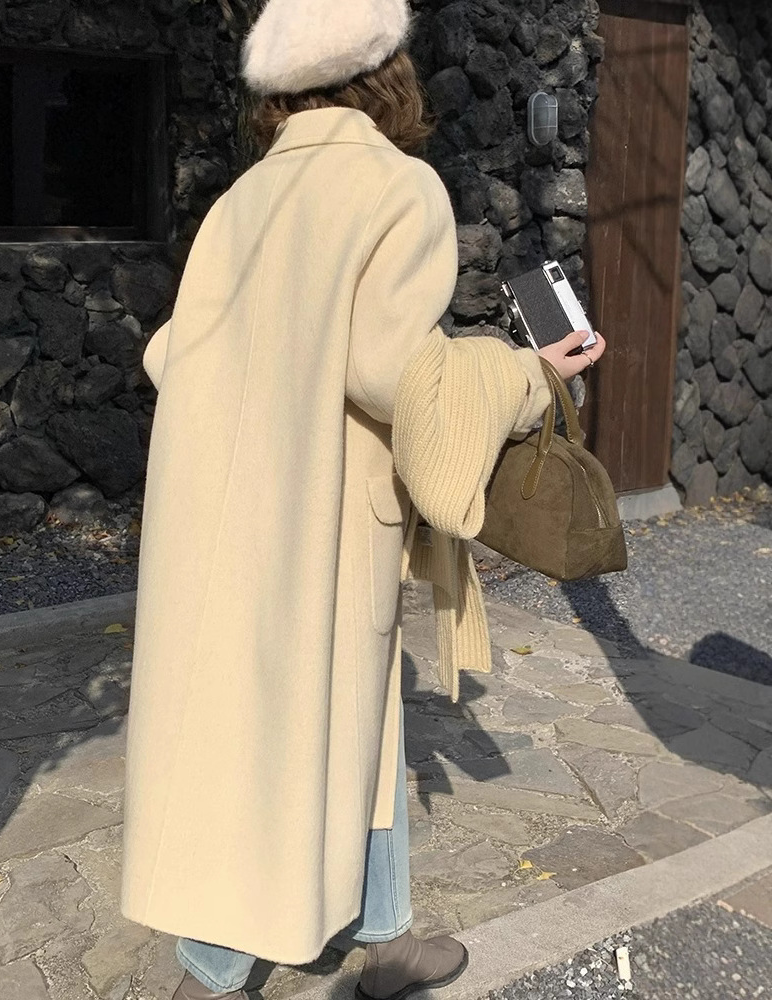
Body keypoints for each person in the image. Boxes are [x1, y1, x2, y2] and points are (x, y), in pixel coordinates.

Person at [121, 1, 607, 999]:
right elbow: (400, 376)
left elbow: (172, 350)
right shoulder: (394, 186)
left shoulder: (244, 200)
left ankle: (381, 936)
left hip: (220, 505)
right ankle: (216, 970)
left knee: (286, 713)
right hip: (322, 513)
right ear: (386, 71)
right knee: (305, 716)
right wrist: (529, 375)